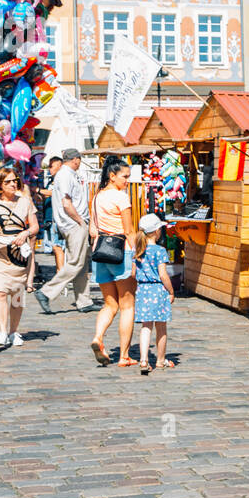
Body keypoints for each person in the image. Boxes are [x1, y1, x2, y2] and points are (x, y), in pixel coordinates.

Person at [0, 165, 39, 349]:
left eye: (15, 181)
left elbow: (35, 226)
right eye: (8, 182)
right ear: (0, 185)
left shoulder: (26, 202)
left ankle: (14, 331)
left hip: (19, 256)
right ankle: (2, 332)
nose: (13, 184)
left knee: (17, 297)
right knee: (0, 292)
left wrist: (25, 233)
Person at [89, 158, 136, 367]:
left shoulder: (97, 197)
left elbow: (92, 229)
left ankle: (98, 337)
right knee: (127, 306)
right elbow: (129, 230)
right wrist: (137, 255)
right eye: (125, 177)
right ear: (112, 176)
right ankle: (124, 355)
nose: (127, 181)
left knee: (110, 303)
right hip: (121, 253)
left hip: (100, 253)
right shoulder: (121, 197)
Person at [36, 148, 94, 314]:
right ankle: (46, 292)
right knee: (76, 262)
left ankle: (84, 301)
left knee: (81, 263)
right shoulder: (66, 175)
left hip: (72, 222)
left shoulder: (67, 175)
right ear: (76, 159)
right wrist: (80, 221)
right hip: (73, 223)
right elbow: (66, 202)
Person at [132, 213, 175, 375]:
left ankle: (143, 360)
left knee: (146, 327)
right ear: (157, 231)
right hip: (158, 290)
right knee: (161, 327)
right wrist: (171, 291)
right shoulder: (160, 251)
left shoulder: (138, 250)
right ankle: (160, 360)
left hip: (142, 290)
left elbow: (133, 274)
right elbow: (163, 275)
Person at [41, 155, 66, 275]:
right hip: (49, 217)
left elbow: (54, 193)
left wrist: (38, 190)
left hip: (57, 218)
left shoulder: (61, 180)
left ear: (60, 166)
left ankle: (61, 273)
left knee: (58, 247)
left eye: (52, 166)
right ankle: (59, 271)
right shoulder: (51, 180)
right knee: (55, 248)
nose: (49, 168)